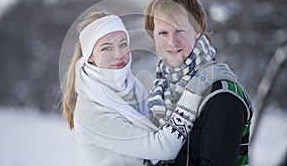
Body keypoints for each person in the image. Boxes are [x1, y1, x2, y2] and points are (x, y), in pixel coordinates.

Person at [62, 12, 210, 166]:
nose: (118, 54)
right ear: (90, 56)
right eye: (107, 48)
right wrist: (195, 90)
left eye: (123, 44)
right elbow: (163, 148)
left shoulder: (134, 88)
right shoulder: (91, 113)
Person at [144, 0, 253, 166]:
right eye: (163, 33)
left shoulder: (221, 93)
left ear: (197, 30)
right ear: (153, 37)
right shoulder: (160, 92)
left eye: (179, 31)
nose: (172, 42)